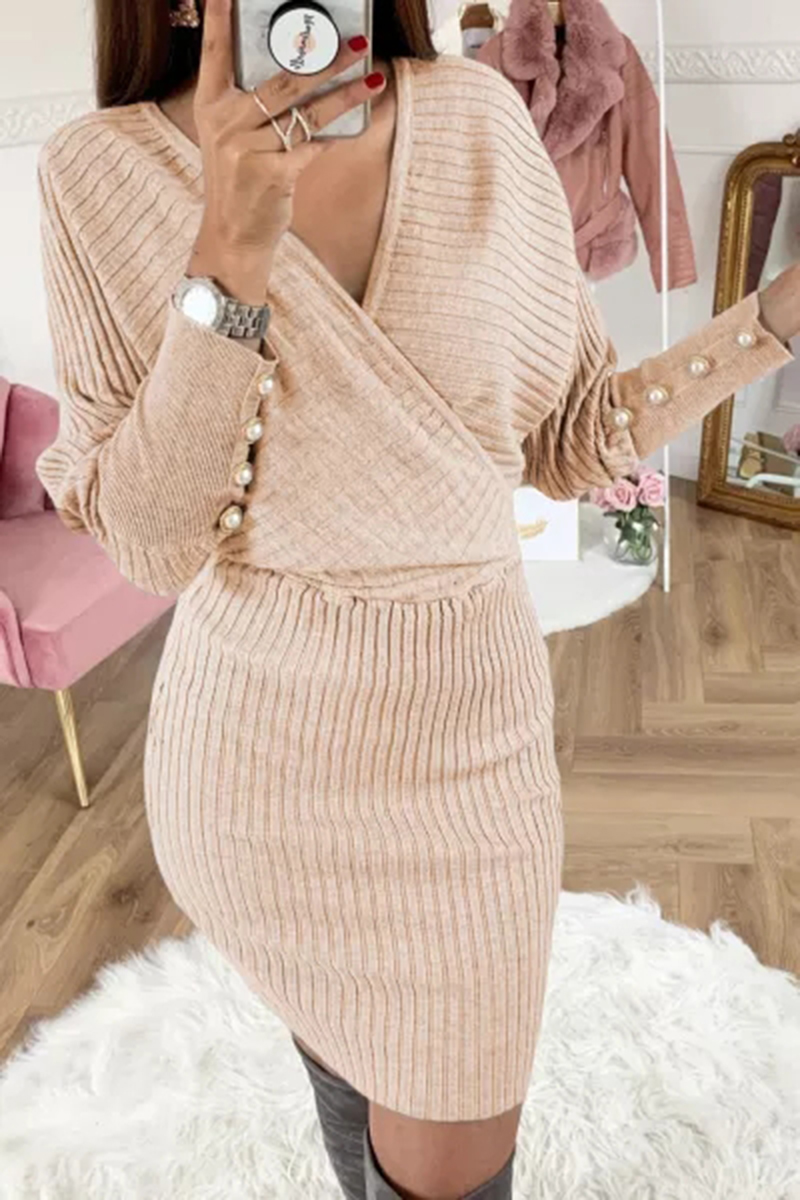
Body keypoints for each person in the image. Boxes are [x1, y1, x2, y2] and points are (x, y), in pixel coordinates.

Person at [34, 0, 798, 1195]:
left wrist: (768, 325)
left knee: (452, 1144)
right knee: (349, 1083)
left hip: (469, 748)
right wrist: (228, 251)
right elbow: (152, 544)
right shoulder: (101, 171)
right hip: (253, 769)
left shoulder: (479, 119)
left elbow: (572, 437)